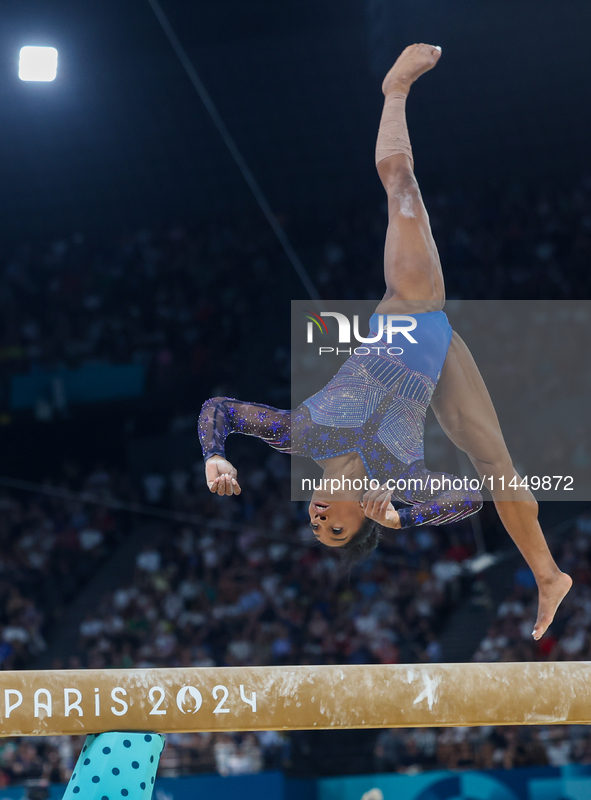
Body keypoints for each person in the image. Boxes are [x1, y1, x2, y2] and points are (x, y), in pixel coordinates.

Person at [199, 44, 571, 639]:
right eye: (335, 530)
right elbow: (471, 497)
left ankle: (393, 91)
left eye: (315, 526)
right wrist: (403, 513)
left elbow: (221, 409)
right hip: (440, 357)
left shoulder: (306, 435)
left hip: (408, 305)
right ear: (360, 521)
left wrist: (215, 454)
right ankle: (549, 575)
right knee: (498, 468)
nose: (318, 521)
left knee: (400, 181)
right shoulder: (395, 477)